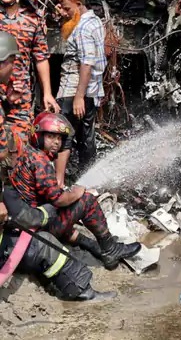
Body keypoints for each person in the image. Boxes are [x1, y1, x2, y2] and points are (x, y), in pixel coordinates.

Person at [0, 31, 113, 301]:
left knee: (42, 230)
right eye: (12, 62)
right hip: (12, 230)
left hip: (15, 214)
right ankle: (83, 292)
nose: (15, 69)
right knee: (46, 247)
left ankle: (103, 252)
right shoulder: (35, 162)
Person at [9, 110, 141, 269]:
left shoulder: (28, 153)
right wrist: (77, 193)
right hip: (38, 229)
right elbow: (59, 200)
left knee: (66, 212)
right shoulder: (41, 162)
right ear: (38, 135)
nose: (56, 142)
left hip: (28, 223)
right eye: (51, 136)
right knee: (87, 201)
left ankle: (95, 247)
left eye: (59, 138)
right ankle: (110, 250)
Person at [0, 0, 60, 143]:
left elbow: (41, 58)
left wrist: (47, 93)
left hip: (21, 93)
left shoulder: (34, 19)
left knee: (19, 143)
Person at [53, 0, 106, 183]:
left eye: (67, 8)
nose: (64, 12)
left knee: (62, 134)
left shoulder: (82, 28)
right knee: (86, 137)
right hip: (91, 91)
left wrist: (78, 97)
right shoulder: (95, 22)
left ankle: (59, 181)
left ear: (79, 4)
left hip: (74, 89)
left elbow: (87, 63)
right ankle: (87, 181)